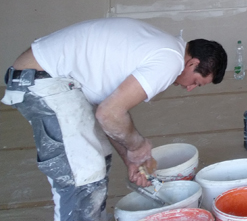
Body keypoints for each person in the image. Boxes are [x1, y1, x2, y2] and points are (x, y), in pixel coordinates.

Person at [2, 18, 228, 221]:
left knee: (97, 155)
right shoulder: (170, 61)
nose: (189, 88)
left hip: (50, 78)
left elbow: (110, 118)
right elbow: (109, 113)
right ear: (192, 63)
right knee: (83, 174)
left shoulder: (164, 47)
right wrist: (138, 147)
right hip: (43, 78)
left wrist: (131, 159)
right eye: (196, 82)